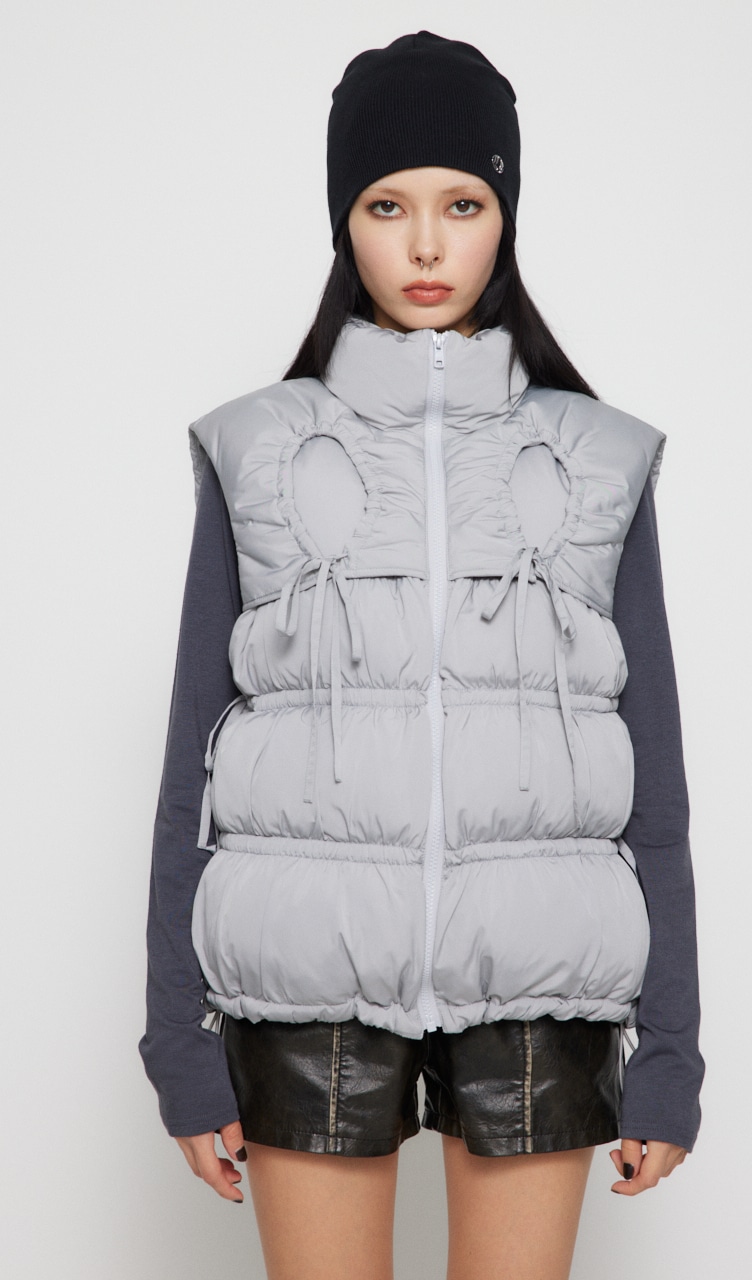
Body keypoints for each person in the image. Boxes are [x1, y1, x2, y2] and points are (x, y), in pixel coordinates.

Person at [139, 29, 704, 1280]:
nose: (429, 246)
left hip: (541, 980)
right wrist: (177, 1038)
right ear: (344, 224)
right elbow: (192, 773)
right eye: (387, 206)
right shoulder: (256, 450)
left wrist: (671, 1048)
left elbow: (654, 786)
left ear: (507, 217)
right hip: (306, 981)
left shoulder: (597, 458)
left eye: (464, 203)